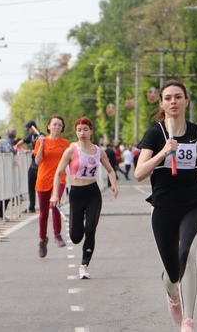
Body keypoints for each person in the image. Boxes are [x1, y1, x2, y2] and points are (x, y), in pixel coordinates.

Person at [134, 81, 197, 332]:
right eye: (168, 98)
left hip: (192, 204)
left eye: (178, 97)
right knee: (172, 273)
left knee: (187, 253)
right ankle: (172, 293)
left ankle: (188, 320)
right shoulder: (155, 134)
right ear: (162, 104)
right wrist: (162, 153)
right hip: (163, 208)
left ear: (186, 101)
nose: (173, 101)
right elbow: (139, 173)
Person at [51, 117, 118, 279]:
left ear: (91, 131)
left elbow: (110, 170)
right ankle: (76, 229)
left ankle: (84, 265)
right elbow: (59, 172)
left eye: (85, 129)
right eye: (79, 129)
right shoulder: (70, 150)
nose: (82, 133)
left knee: (90, 229)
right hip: (76, 193)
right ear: (76, 132)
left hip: (92, 193)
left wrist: (113, 184)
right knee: (75, 237)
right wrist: (55, 194)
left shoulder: (98, 151)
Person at [32, 115, 70, 258]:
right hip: (43, 180)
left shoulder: (65, 143)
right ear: (48, 126)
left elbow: (70, 160)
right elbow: (37, 161)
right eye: (54, 124)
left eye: (60, 125)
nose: (57, 127)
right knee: (43, 212)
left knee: (55, 205)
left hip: (59, 179)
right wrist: (41, 144)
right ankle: (42, 239)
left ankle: (57, 234)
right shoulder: (41, 141)